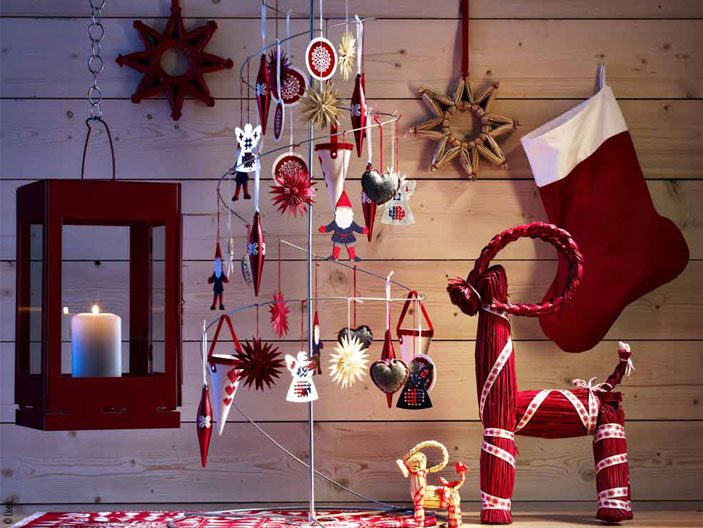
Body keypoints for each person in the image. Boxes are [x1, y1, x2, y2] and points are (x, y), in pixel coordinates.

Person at [318, 191, 367, 261]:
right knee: (337, 246)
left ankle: (352, 256)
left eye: (346, 211)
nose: (344, 214)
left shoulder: (351, 223)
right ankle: (335, 257)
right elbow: (330, 227)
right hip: (338, 236)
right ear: (338, 213)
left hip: (349, 236)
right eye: (341, 211)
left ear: (350, 213)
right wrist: (325, 229)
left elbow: (357, 228)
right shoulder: (336, 222)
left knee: (350, 246)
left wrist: (363, 230)